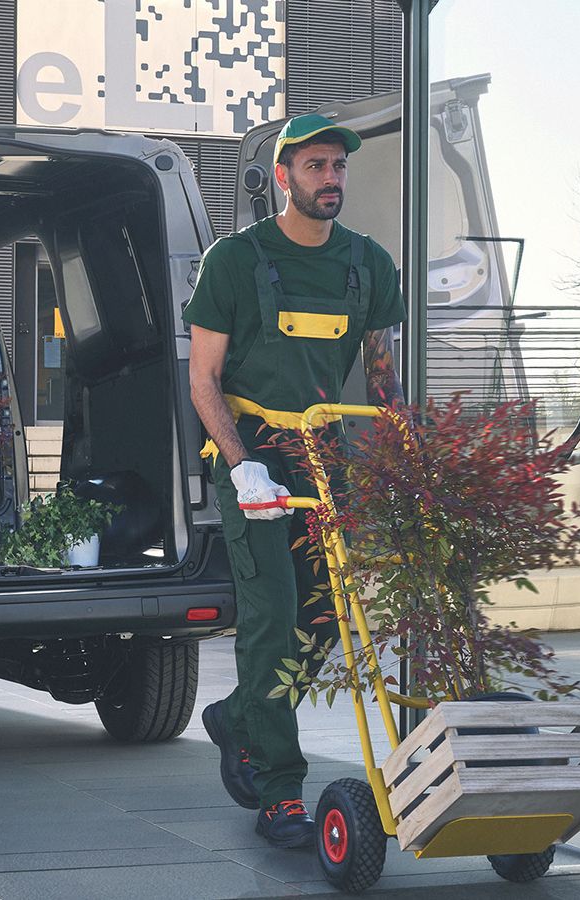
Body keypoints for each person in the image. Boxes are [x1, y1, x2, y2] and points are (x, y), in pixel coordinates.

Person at [183, 113, 405, 849]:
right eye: (315, 167)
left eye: (338, 167)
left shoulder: (369, 265)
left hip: (323, 455)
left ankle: (240, 715)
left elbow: (381, 375)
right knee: (272, 613)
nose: (331, 179)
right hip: (254, 456)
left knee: (323, 619)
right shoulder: (235, 261)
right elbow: (204, 380)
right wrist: (240, 462)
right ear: (284, 176)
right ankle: (279, 787)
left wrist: (402, 457)